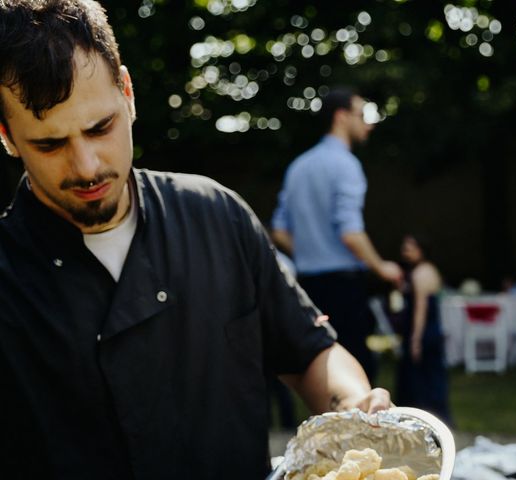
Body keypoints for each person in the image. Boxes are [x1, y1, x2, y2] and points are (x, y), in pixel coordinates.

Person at [0, 2, 391, 478]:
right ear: (7, 136)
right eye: (50, 144)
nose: (86, 166)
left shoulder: (215, 214)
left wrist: (354, 405)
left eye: (99, 128)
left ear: (127, 92)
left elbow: (310, 351)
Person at [271, 88, 402, 381]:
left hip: (307, 285)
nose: (369, 124)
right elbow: (351, 234)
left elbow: (279, 231)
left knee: (321, 367)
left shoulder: (298, 167)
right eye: (363, 115)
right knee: (356, 370)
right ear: (341, 117)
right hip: (344, 286)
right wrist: (383, 268)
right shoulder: (346, 165)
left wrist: (309, 251)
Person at [395, 235, 452, 425]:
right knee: (432, 375)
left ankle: (421, 416)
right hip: (431, 330)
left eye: (409, 248)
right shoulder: (429, 270)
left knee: (419, 377)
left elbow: (420, 308)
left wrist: (415, 339)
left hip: (423, 331)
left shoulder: (420, 273)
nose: (405, 251)